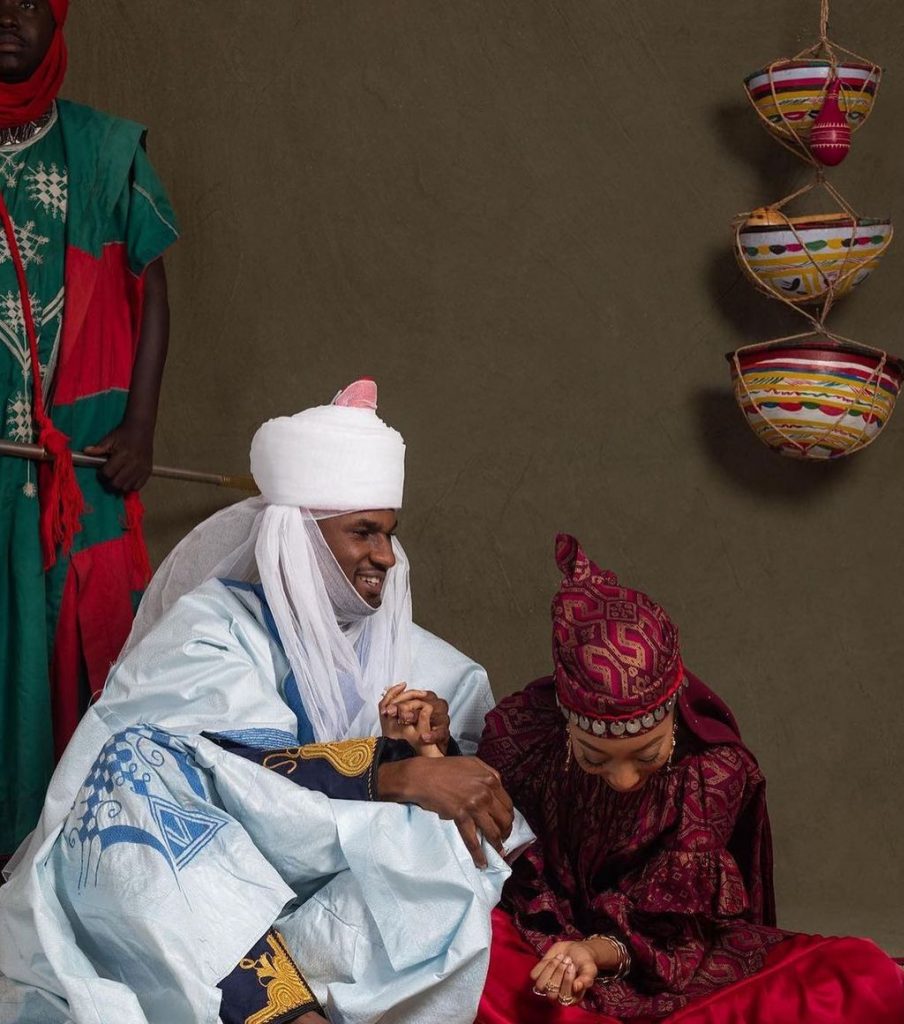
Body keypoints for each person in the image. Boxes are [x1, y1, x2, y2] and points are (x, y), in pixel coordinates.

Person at [0, 379, 525, 1024]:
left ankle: (297, 996)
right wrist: (398, 775)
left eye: (390, 534)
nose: (387, 556)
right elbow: (205, 767)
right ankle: (285, 1014)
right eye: (363, 532)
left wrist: (430, 750)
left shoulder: (433, 663)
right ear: (298, 539)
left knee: (445, 839)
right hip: (202, 886)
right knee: (130, 773)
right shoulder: (212, 627)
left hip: (327, 909)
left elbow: (485, 818)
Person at [475, 534, 904, 1024]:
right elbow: (499, 861)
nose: (623, 779)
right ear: (564, 724)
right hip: (548, 946)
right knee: (459, 941)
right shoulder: (526, 740)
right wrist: (431, 752)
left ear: (676, 714)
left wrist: (593, 953)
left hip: (671, 961)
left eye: (647, 755)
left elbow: (675, 937)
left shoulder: (711, 774)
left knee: (864, 978)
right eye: (594, 758)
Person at [0, 0, 178, 864]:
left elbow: (151, 292)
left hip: (78, 468)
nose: (10, 14)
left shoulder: (107, 151)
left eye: (30, 1)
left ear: (56, 20)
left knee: (72, 665)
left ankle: (54, 872)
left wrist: (139, 424)